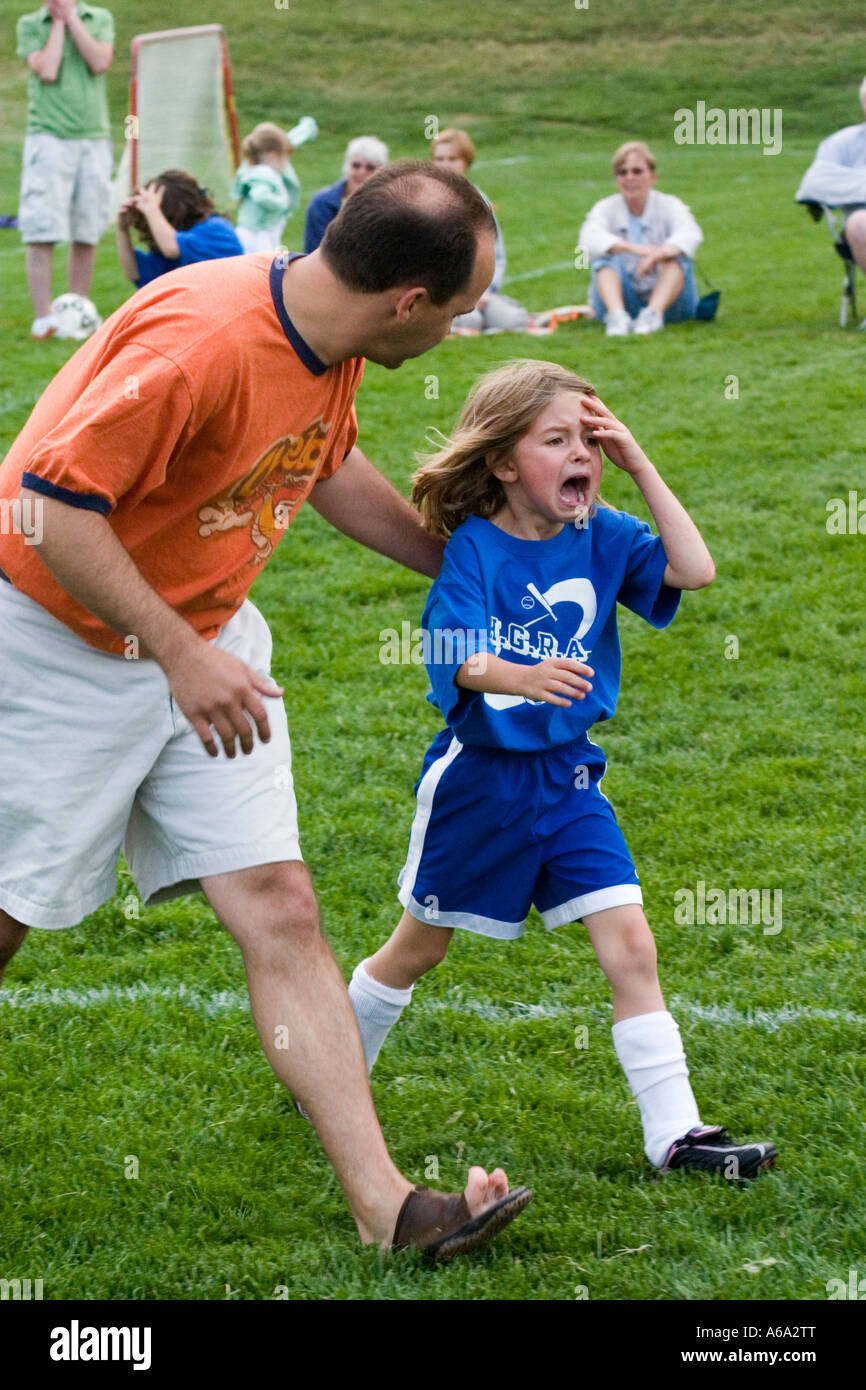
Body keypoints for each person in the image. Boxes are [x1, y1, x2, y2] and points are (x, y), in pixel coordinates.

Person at [0, 161, 532, 1261]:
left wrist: (447, 564)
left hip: (200, 642)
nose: (456, 331)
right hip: (52, 645)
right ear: (407, 304)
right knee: (8, 919)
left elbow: (317, 460)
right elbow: (51, 510)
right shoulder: (200, 340)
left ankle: (389, 1210)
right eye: (460, 312)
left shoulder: (321, 330)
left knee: (282, 904)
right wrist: (180, 653)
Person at [348, 359, 778, 1182]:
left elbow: (695, 570)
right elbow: (453, 654)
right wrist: (520, 676)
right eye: (557, 440)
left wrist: (641, 465)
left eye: (589, 438)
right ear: (504, 463)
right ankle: (331, 1072)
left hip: (572, 782)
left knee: (632, 947)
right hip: (480, 786)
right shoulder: (475, 547)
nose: (581, 452)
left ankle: (675, 1136)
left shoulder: (603, 536)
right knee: (417, 950)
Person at [16, 0, 114, 340]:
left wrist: (72, 18)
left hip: (93, 138)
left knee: (86, 230)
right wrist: (57, 24)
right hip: (48, 138)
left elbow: (99, 61)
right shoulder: (31, 24)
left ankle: (79, 312)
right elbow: (48, 68)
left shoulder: (99, 18)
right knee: (42, 230)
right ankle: (44, 318)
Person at [577, 141, 702, 335]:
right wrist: (637, 249)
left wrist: (658, 255)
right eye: (622, 172)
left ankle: (653, 314)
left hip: (671, 301)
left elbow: (690, 235)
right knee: (602, 261)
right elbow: (587, 242)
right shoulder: (605, 208)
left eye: (637, 171)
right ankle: (617, 316)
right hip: (625, 294)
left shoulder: (670, 205)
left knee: (677, 259)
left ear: (653, 176)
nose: (630, 178)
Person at [430, 127, 531, 332]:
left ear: (466, 162)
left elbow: (495, 253)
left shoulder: (479, 200)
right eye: (440, 159)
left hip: (480, 292)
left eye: (452, 159)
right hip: (443, 294)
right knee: (470, 322)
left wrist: (483, 291)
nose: (445, 165)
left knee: (512, 322)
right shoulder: (425, 201)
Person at [116, 168, 244, 288]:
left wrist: (152, 210)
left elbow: (171, 248)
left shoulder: (216, 228)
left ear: (175, 210)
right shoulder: (170, 243)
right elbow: (135, 273)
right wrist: (122, 230)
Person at [801, 76, 866, 274]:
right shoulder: (841, 143)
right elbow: (814, 185)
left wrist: (850, 182)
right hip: (862, 224)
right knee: (859, 223)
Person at [231, 122, 308, 254]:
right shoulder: (265, 174)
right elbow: (260, 195)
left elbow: (290, 141)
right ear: (273, 156)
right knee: (263, 269)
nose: (286, 164)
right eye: (285, 158)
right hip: (258, 237)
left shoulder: (255, 170)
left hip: (259, 233)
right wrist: (282, 203)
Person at [303, 136, 388, 253]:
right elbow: (314, 250)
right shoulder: (322, 203)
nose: (362, 172)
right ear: (347, 167)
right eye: (356, 165)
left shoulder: (388, 206)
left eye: (370, 167)